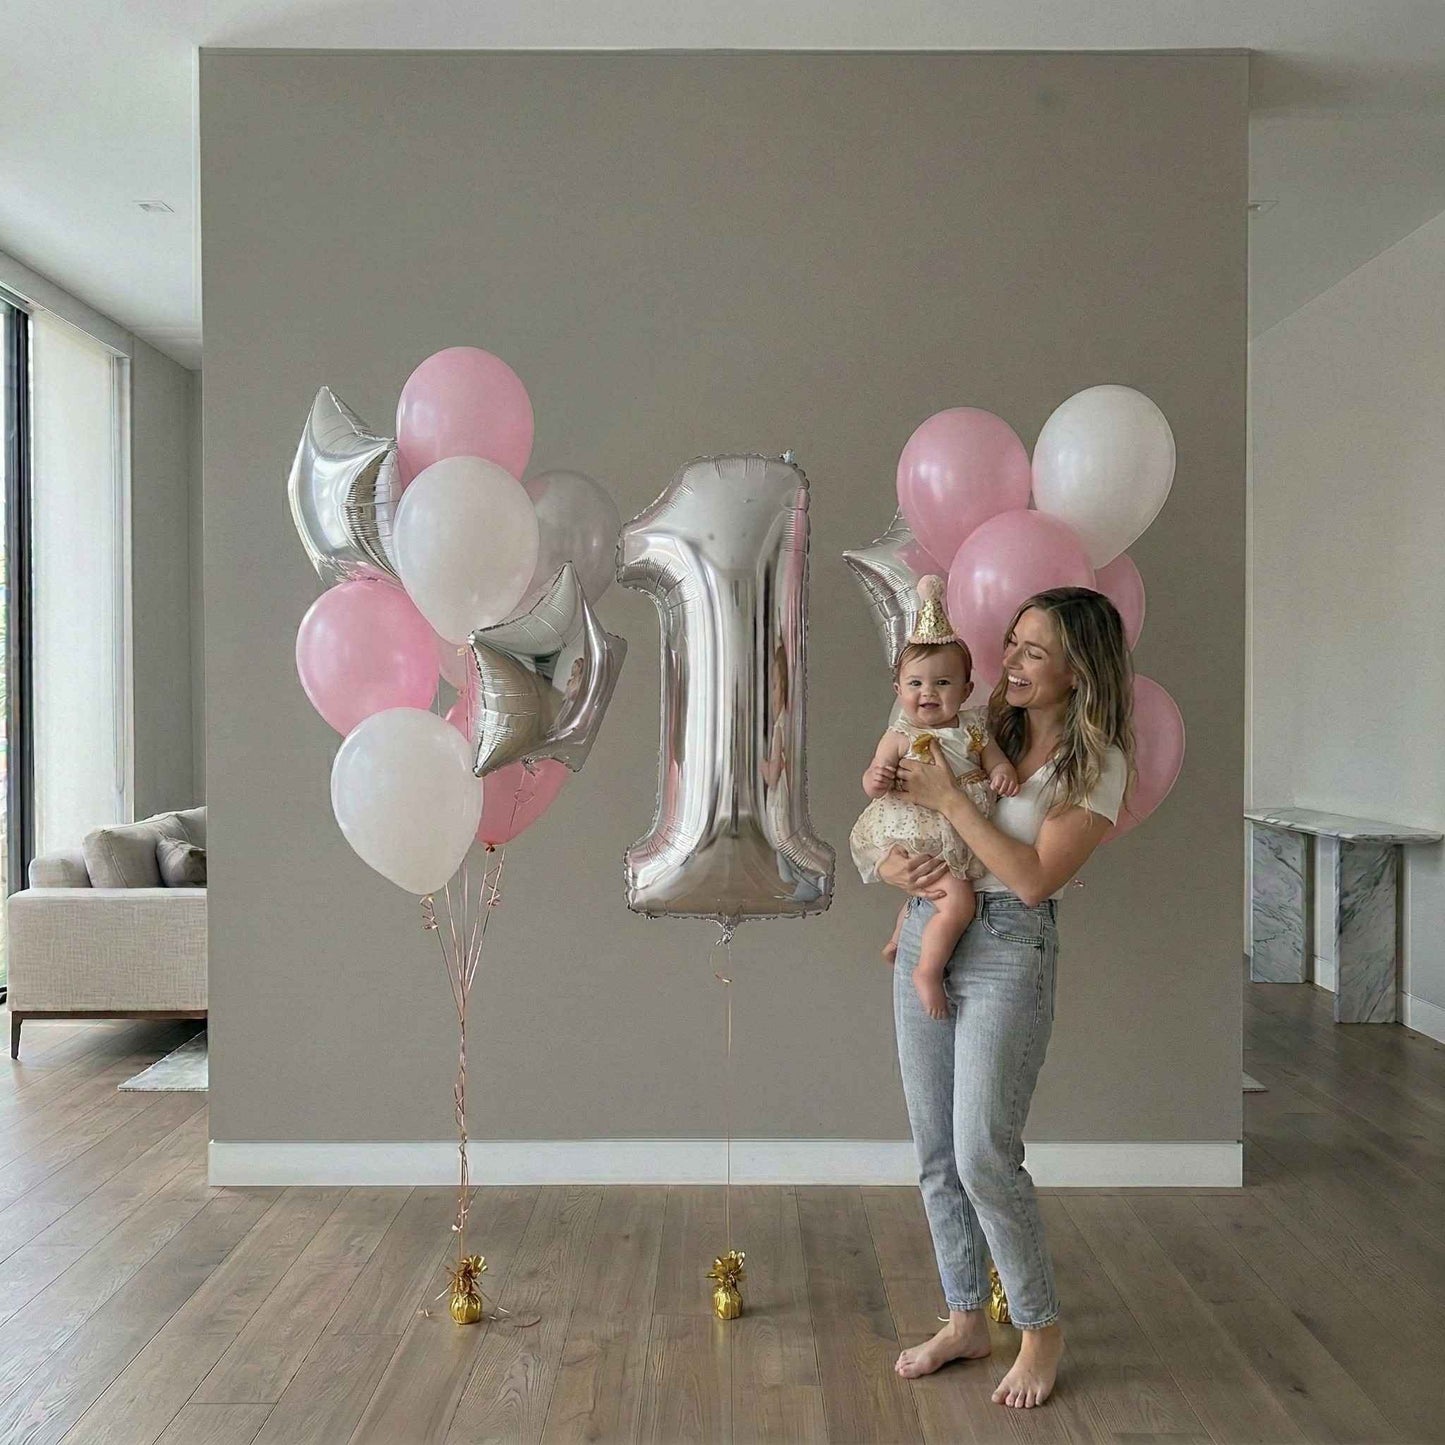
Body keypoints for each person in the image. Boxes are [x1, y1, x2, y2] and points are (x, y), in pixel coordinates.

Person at [880, 586, 1135, 1409]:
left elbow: (1029, 879)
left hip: (1007, 951)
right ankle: (964, 1317)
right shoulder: (986, 724)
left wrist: (947, 798)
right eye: (1013, 643)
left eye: (1033, 651)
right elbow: (914, 820)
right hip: (930, 926)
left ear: (1077, 671)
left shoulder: (1095, 765)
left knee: (984, 1151)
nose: (1010, 662)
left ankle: (1039, 1326)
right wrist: (901, 889)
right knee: (934, 1152)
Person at [849, 578, 1018, 1019]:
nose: (928, 693)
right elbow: (871, 783)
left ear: (965, 690)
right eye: (916, 683)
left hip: (957, 827)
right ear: (898, 690)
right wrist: (878, 776)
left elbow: (998, 762)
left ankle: (899, 937)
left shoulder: (974, 728)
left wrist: (1002, 774)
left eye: (943, 682)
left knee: (930, 891)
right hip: (915, 827)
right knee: (957, 901)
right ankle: (928, 969)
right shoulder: (900, 734)